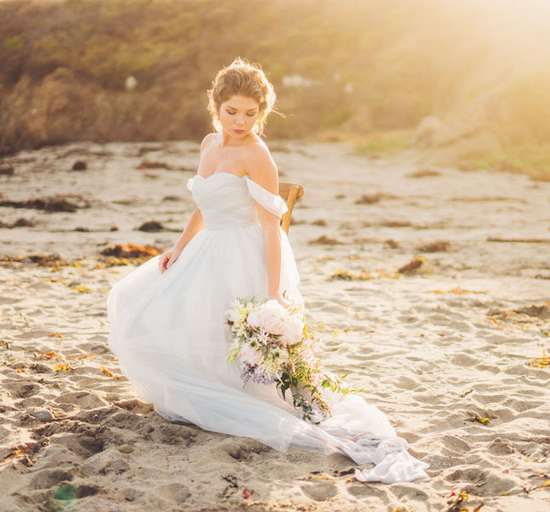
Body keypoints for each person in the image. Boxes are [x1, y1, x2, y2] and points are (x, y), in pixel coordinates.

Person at [107, 59, 428, 483]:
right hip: (207, 243)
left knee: (234, 331)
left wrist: (274, 293)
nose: (240, 122)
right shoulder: (209, 144)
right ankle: (196, 392)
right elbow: (204, 207)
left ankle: (233, 395)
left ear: (262, 112)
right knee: (141, 304)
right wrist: (178, 247)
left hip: (245, 250)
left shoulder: (257, 155)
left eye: (250, 113)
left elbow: (271, 229)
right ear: (215, 107)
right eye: (231, 112)